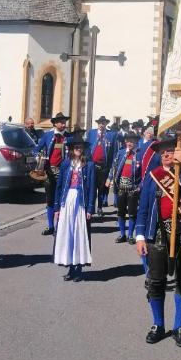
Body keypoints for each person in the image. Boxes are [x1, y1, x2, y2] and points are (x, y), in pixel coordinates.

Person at [135, 135, 181, 348]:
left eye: (171, 151)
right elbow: (143, 208)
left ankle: (179, 326)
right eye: (163, 152)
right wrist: (140, 236)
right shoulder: (154, 176)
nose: (167, 154)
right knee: (156, 282)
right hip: (158, 236)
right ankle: (158, 325)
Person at [53, 133, 96, 282]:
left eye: (80, 147)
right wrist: (57, 207)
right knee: (68, 235)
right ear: (71, 149)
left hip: (81, 204)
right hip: (67, 202)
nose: (78, 149)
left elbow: (91, 188)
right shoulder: (66, 164)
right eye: (76, 147)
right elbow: (58, 186)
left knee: (79, 234)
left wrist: (90, 209)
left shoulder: (89, 165)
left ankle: (78, 269)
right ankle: (70, 267)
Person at [37, 112, 70, 235]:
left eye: (64, 122)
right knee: (50, 199)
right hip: (50, 171)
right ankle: (50, 226)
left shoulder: (69, 137)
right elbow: (37, 149)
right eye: (61, 122)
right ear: (55, 123)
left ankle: (59, 226)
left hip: (64, 172)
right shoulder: (48, 135)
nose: (63, 124)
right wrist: (38, 157)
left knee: (61, 199)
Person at [110, 131, 142, 243]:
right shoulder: (120, 153)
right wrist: (109, 179)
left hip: (133, 189)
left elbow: (144, 173)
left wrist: (140, 186)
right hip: (121, 187)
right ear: (125, 141)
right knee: (121, 211)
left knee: (132, 212)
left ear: (136, 142)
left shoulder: (139, 154)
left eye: (132, 141)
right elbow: (113, 167)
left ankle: (130, 236)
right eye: (128, 141)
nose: (129, 143)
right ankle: (122, 234)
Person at [86, 115, 116, 216]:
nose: (101, 125)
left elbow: (113, 153)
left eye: (103, 123)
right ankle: (91, 207)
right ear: (97, 124)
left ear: (106, 124)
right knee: (91, 187)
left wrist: (112, 167)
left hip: (104, 166)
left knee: (102, 188)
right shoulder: (92, 133)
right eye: (100, 123)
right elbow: (86, 148)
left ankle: (100, 207)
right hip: (92, 165)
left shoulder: (111, 135)